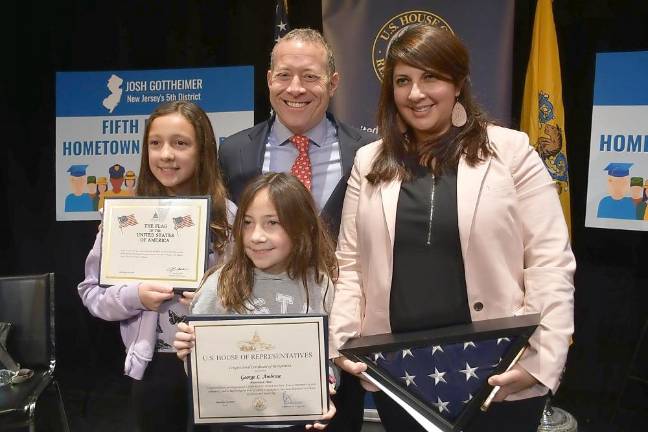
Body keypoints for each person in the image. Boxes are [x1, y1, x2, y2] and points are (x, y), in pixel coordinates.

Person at [328, 24, 575, 432]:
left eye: (431, 77)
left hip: (499, 376)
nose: (415, 93)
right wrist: (344, 341)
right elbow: (350, 264)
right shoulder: (369, 161)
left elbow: (549, 263)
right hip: (402, 377)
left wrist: (540, 363)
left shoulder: (511, 152)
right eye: (402, 80)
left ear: (458, 83)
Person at [218, 28, 375, 431]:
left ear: (333, 82)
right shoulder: (234, 151)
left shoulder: (369, 153)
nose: (296, 88)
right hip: (259, 349)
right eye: (284, 75)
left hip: (342, 341)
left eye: (310, 76)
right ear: (269, 80)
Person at [78, 101, 235, 432]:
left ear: (203, 150)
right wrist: (136, 295)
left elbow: (254, 296)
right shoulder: (124, 219)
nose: (166, 154)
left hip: (220, 363)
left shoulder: (231, 219)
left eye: (180, 143)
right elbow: (91, 293)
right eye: (155, 143)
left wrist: (214, 300)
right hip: (154, 367)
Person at [174, 172, 337, 431]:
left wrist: (324, 387)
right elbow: (200, 369)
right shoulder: (220, 284)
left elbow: (327, 354)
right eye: (247, 222)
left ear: (303, 226)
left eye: (272, 223)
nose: (255, 236)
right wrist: (189, 351)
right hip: (232, 423)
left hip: (295, 422)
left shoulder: (319, 283)